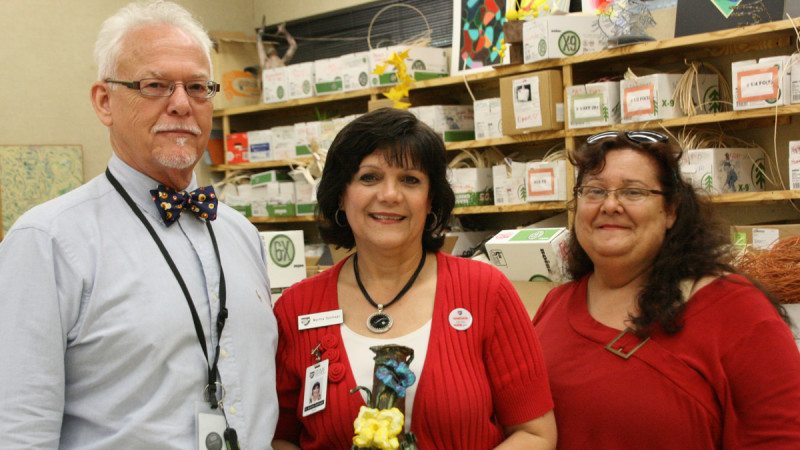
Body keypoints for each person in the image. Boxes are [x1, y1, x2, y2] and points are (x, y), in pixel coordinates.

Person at [0, 1, 278, 448]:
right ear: (104, 102)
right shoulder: (48, 242)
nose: (182, 104)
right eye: (155, 86)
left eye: (198, 87)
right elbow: (19, 430)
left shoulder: (239, 233)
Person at [271, 108, 557, 450]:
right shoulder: (296, 308)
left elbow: (535, 433)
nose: (390, 195)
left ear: (430, 200)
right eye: (369, 177)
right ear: (341, 194)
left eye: (410, 179)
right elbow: (280, 437)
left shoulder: (486, 292)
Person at [532, 131, 800, 449]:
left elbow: (782, 438)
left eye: (633, 192)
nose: (610, 205)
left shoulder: (736, 310)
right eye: (594, 191)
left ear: (671, 210)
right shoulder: (556, 304)